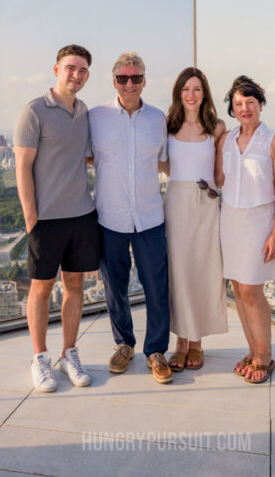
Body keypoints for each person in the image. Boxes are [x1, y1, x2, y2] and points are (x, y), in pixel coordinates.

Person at [14, 44, 101, 393]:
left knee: (75, 288)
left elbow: (92, 156)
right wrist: (31, 218)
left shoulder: (84, 112)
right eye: (70, 68)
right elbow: (22, 167)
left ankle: (69, 353)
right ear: (56, 70)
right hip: (46, 220)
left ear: (87, 76)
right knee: (41, 289)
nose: (75, 75)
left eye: (81, 70)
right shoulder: (34, 110)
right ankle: (40, 358)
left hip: (82, 215)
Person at [89, 52, 173, 384]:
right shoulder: (96, 117)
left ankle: (156, 351)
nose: (129, 84)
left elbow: (166, 162)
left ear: (144, 81)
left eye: (136, 78)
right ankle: (123, 344)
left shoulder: (158, 119)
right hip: (110, 216)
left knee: (157, 287)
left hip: (150, 216)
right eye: (123, 78)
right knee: (115, 286)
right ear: (113, 81)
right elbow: (82, 155)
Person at [219, 75, 275, 384]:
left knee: (251, 290)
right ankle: (252, 350)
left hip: (260, 221)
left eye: (251, 102)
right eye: (238, 104)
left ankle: (264, 355)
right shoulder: (226, 140)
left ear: (260, 105)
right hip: (230, 220)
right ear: (232, 109)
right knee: (237, 288)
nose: (245, 108)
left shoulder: (274, 141)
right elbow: (219, 179)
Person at [163, 67, 228, 373]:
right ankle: (180, 341)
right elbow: (161, 166)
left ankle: (197, 341)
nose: (191, 95)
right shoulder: (166, 125)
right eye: (186, 89)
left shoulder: (216, 127)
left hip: (206, 204)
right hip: (176, 201)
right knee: (178, 272)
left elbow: (220, 174)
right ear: (178, 93)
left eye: (197, 89)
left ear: (205, 94)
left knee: (203, 270)